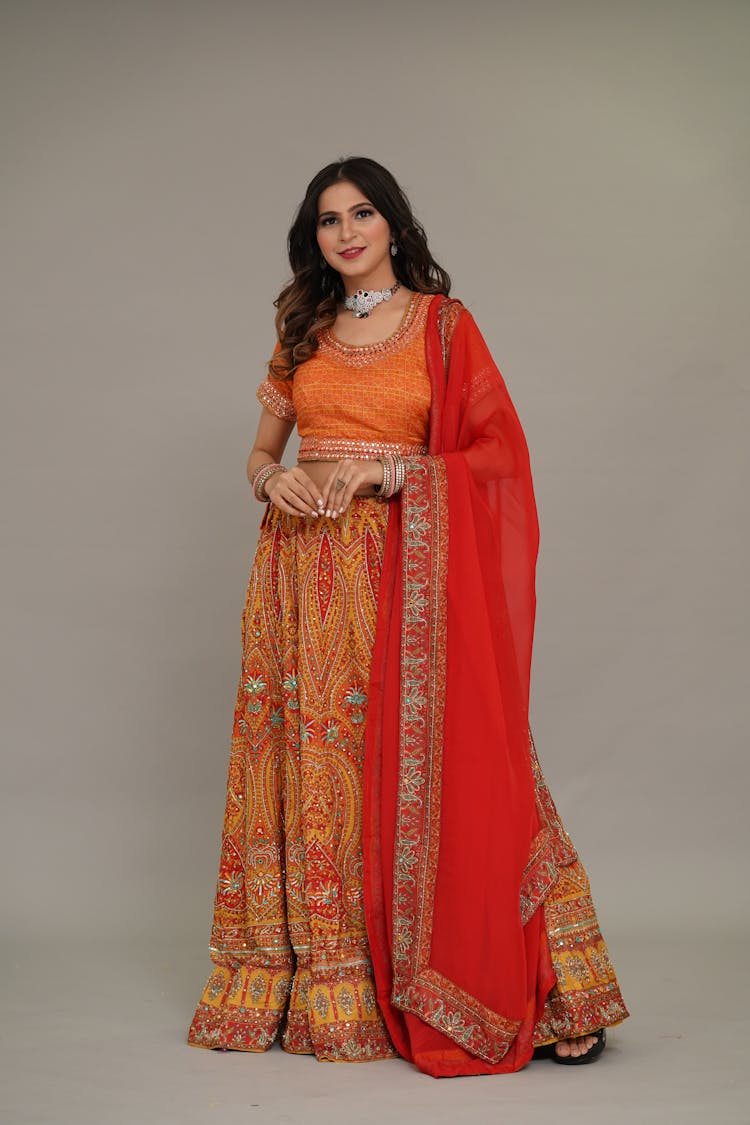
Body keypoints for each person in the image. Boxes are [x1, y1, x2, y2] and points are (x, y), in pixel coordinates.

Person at [187, 156, 629, 1077]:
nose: (345, 233)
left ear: (394, 223)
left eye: (362, 214)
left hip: (408, 574)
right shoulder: (298, 324)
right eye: (327, 220)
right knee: (319, 761)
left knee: (458, 760)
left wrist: (392, 474)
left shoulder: (443, 325)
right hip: (299, 572)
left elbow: (498, 453)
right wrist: (274, 477)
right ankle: (335, 980)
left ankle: (538, 986)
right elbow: (264, 445)